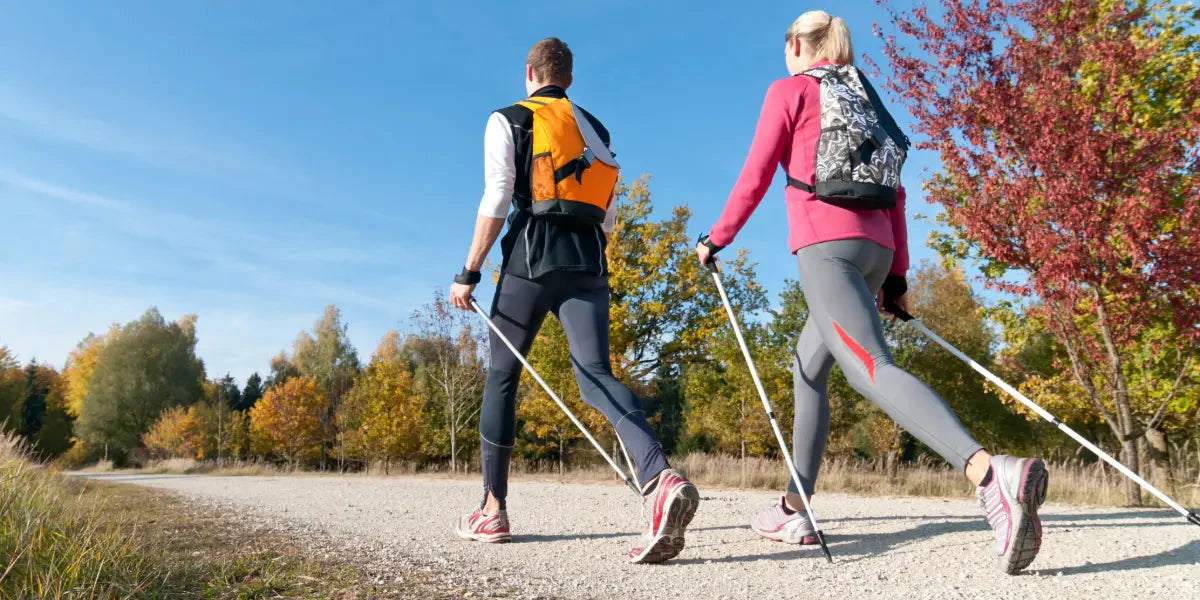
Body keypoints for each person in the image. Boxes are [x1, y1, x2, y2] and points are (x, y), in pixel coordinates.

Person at [695, 11, 1048, 575]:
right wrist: (897, 280)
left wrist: (717, 238)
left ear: (795, 45)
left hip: (826, 247)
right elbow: (896, 196)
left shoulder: (790, 89)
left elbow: (757, 171)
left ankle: (988, 472)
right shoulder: (864, 97)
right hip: (876, 253)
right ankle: (795, 507)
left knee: (868, 366)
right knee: (808, 366)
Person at [448, 37, 700, 564]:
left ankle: (493, 509)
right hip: (589, 260)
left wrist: (469, 270)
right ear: (569, 77)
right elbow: (608, 212)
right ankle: (659, 475)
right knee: (595, 374)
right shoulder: (596, 129)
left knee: (502, 375)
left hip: (530, 260)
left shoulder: (509, 118)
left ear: (529, 72)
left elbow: (498, 195)